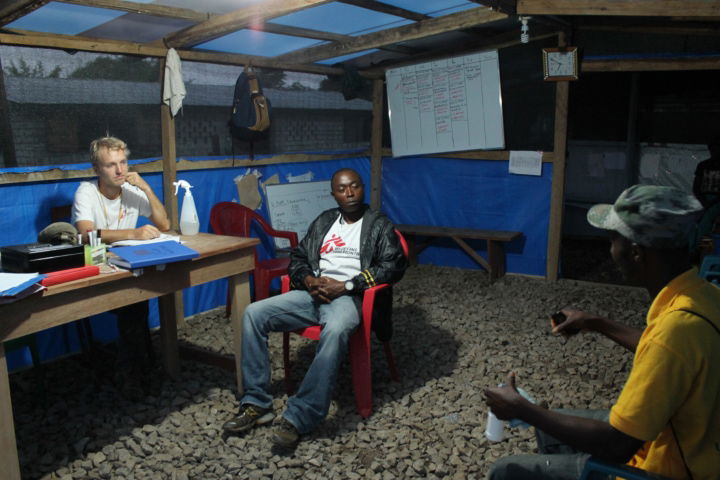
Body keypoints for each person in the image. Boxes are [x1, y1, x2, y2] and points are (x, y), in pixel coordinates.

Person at [484, 184, 720, 480]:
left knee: (505, 471)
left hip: (667, 469)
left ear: (636, 253)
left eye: (613, 240)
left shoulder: (673, 332)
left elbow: (618, 445)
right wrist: (595, 322)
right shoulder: (704, 297)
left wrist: (521, 409)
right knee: (550, 430)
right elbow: (668, 353)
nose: (610, 251)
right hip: (701, 450)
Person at [221, 168, 407, 448]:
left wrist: (346, 285)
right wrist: (309, 280)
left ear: (362, 188)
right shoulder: (324, 221)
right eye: (342, 189)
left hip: (349, 297)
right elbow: (298, 258)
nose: (349, 193)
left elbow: (393, 266)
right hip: (314, 293)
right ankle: (257, 403)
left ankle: (300, 415)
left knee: (336, 329)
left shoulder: (379, 225)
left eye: (354, 186)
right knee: (253, 314)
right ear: (333, 194)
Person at [72, 136, 170, 400]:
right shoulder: (86, 192)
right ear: (97, 169)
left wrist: (146, 187)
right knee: (134, 304)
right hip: (96, 271)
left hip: (128, 268)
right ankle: (141, 371)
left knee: (138, 298)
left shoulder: (131, 190)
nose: (120, 170)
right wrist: (134, 233)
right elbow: (86, 234)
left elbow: (164, 224)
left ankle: (139, 371)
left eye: (123, 162)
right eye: (111, 165)